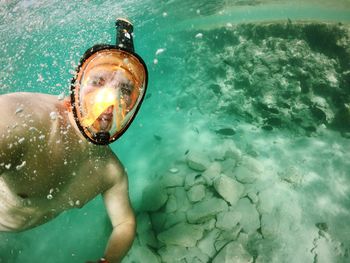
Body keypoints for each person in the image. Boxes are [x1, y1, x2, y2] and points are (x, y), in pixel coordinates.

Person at [0, 18, 148, 263]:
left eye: (124, 91)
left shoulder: (110, 172)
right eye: (98, 82)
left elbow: (125, 222)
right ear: (76, 84)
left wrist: (107, 261)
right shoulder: (25, 119)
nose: (110, 100)